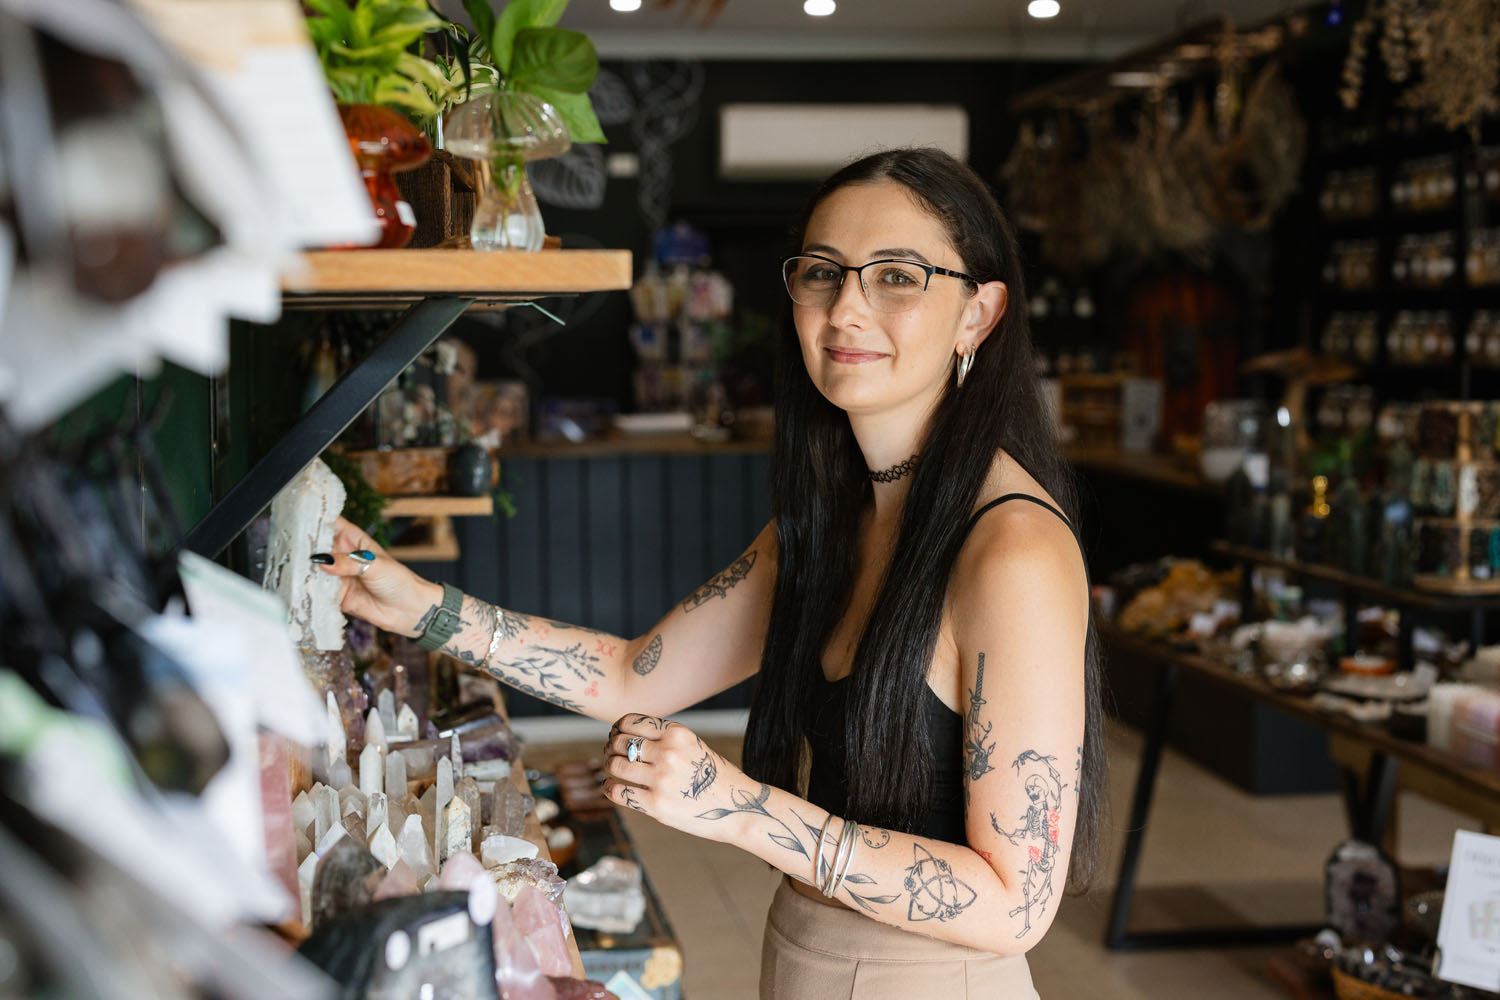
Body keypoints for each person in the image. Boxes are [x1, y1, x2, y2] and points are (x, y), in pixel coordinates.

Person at [318, 147, 1104, 999]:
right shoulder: (835, 515)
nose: (847, 308)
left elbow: (1015, 905)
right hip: (805, 955)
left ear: (979, 314)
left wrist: (738, 806)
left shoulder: (1011, 550)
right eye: (822, 273)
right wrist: (422, 607)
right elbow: (631, 675)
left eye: (897, 277)